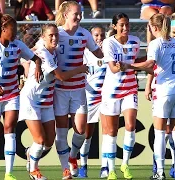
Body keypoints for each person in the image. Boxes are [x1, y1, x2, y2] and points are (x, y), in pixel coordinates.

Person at [0, 10, 42, 180]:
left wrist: (38, 67)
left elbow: (36, 58)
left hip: (12, 93)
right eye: (13, 28)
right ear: (4, 28)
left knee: (9, 130)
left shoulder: (18, 45)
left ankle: (9, 173)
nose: (16, 31)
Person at [19, 23, 88, 180]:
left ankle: (33, 154)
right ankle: (35, 171)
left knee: (49, 141)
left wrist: (28, 64)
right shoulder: (44, 54)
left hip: (47, 101)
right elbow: (61, 77)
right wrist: (80, 69)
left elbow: (29, 54)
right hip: (31, 101)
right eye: (50, 35)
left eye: (56, 34)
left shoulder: (52, 50)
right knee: (40, 140)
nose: (54, 37)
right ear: (43, 37)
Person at [135, 12, 175, 180]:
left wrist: (129, 66)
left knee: (159, 134)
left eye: (150, 26)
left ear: (155, 27)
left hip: (164, 91)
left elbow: (150, 64)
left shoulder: (155, 43)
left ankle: (159, 172)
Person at [54, 1, 104, 179]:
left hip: (78, 89)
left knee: (80, 131)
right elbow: (40, 49)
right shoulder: (56, 34)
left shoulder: (84, 34)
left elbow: (98, 53)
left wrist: (103, 51)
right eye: (76, 13)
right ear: (66, 14)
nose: (79, 16)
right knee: (60, 132)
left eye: (80, 13)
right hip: (59, 90)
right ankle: (65, 169)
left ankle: (73, 156)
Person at [100, 12, 147, 180]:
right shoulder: (108, 43)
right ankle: (111, 170)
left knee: (130, 126)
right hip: (112, 92)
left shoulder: (135, 41)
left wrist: (145, 62)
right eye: (121, 25)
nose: (125, 27)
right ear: (114, 26)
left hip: (130, 89)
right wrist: (127, 66)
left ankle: (125, 164)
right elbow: (113, 68)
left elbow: (136, 60)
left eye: (127, 24)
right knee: (111, 131)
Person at [78, 25, 109, 178]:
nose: (99, 38)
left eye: (102, 35)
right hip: (90, 96)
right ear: (91, 37)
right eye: (96, 35)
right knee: (87, 134)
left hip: (106, 97)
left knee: (107, 132)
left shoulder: (109, 50)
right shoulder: (85, 53)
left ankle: (105, 167)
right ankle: (83, 165)